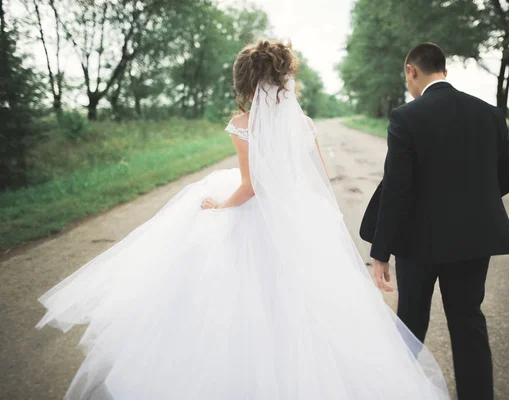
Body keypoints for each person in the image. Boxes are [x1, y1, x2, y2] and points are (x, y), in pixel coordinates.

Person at [36, 40, 449, 400]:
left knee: (242, 299)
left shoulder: (241, 125)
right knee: (307, 309)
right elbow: (318, 178)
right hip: (298, 221)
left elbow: (251, 186)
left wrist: (221, 207)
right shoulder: (304, 124)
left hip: (259, 222)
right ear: (283, 80)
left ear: (247, 83)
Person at [360, 42, 509, 400]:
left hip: (419, 243)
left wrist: (381, 252)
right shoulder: (488, 113)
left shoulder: (406, 116)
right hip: (474, 240)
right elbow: (508, 177)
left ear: (411, 71)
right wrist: (472, 204)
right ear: (443, 70)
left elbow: (397, 190)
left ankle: (399, 392)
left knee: (411, 324)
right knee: (468, 324)